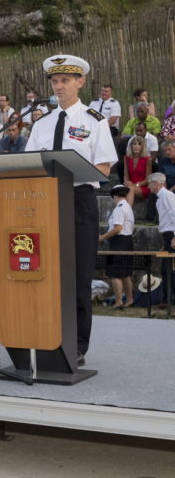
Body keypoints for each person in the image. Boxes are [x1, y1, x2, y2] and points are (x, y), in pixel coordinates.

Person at [24, 54, 117, 365]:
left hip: (78, 203)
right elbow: (26, 165)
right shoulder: (41, 123)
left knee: (78, 277)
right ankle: (42, 336)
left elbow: (103, 168)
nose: (59, 85)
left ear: (80, 82)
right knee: (43, 273)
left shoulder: (94, 121)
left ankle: (76, 345)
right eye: (54, 80)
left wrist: (69, 172)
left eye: (65, 80)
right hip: (43, 202)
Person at [100, 186, 135, 308]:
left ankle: (119, 301)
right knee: (125, 273)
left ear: (115, 196)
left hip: (118, 242)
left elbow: (117, 228)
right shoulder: (127, 207)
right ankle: (130, 299)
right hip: (127, 241)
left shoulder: (119, 208)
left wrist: (102, 237)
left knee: (114, 273)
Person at [148, 173, 175, 296]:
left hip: (171, 235)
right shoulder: (161, 197)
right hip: (167, 236)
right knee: (165, 269)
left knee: (169, 268)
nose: (148, 186)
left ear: (156, 183)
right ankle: (168, 298)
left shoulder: (167, 195)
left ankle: (171, 299)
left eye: (150, 183)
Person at [123, 136, 152, 206]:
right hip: (130, 185)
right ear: (131, 146)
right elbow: (126, 175)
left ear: (143, 146)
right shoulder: (126, 158)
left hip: (142, 187)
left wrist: (136, 184)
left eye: (139, 144)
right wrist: (127, 182)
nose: (136, 146)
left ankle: (127, 213)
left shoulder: (148, 159)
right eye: (134, 144)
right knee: (118, 190)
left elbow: (148, 179)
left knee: (130, 189)